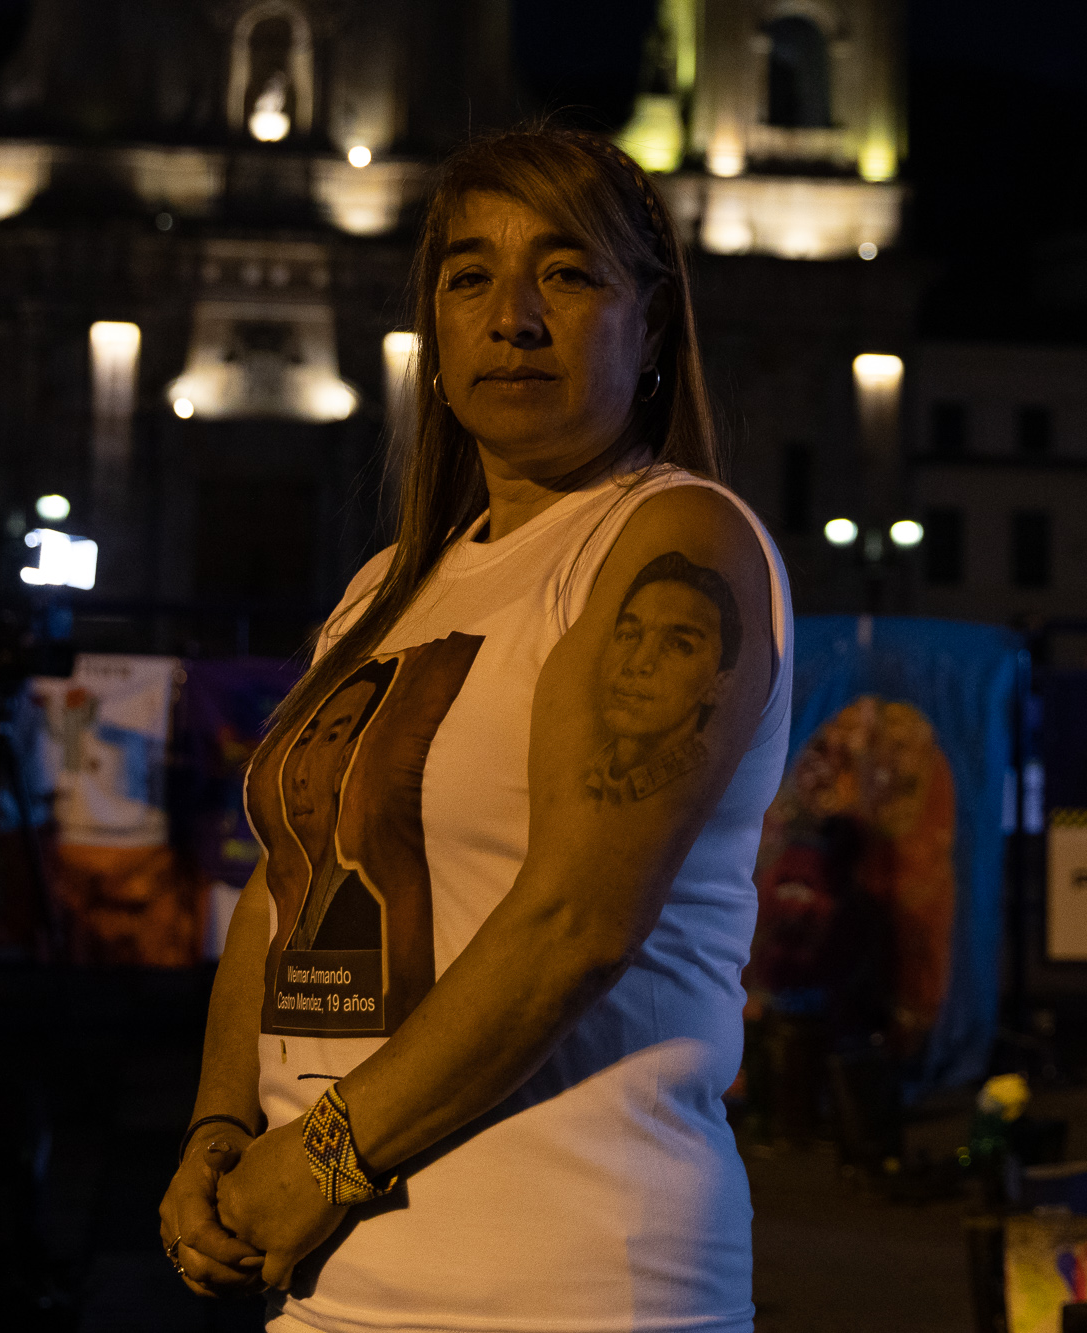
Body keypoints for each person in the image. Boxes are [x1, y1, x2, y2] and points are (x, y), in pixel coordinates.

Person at [158, 124, 792, 1332]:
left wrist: (322, 1160)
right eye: (468, 277)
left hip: (562, 1277)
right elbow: (285, 889)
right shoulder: (388, 586)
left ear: (649, 326)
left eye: (566, 273)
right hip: (333, 1279)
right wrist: (221, 1126)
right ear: (432, 333)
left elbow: (572, 924)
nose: (512, 317)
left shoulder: (668, 543)